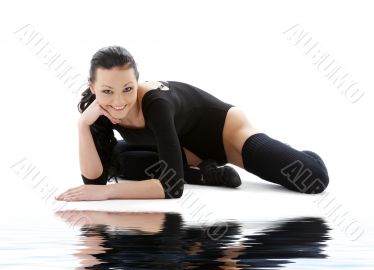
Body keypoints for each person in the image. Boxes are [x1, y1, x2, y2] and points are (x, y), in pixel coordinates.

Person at [55, 46, 329, 202]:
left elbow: (172, 189)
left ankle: (296, 154)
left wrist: (106, 194)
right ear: (92, 86)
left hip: (225, 135)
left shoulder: (155, 104)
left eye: (127, 89)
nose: (118, 101)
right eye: (107, 91)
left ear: (137, 80)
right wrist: (82, 125)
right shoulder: (97, 110)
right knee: (121, 160)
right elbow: (94, 178)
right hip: (183, 147)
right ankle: (204, 173)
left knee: (312, 180)